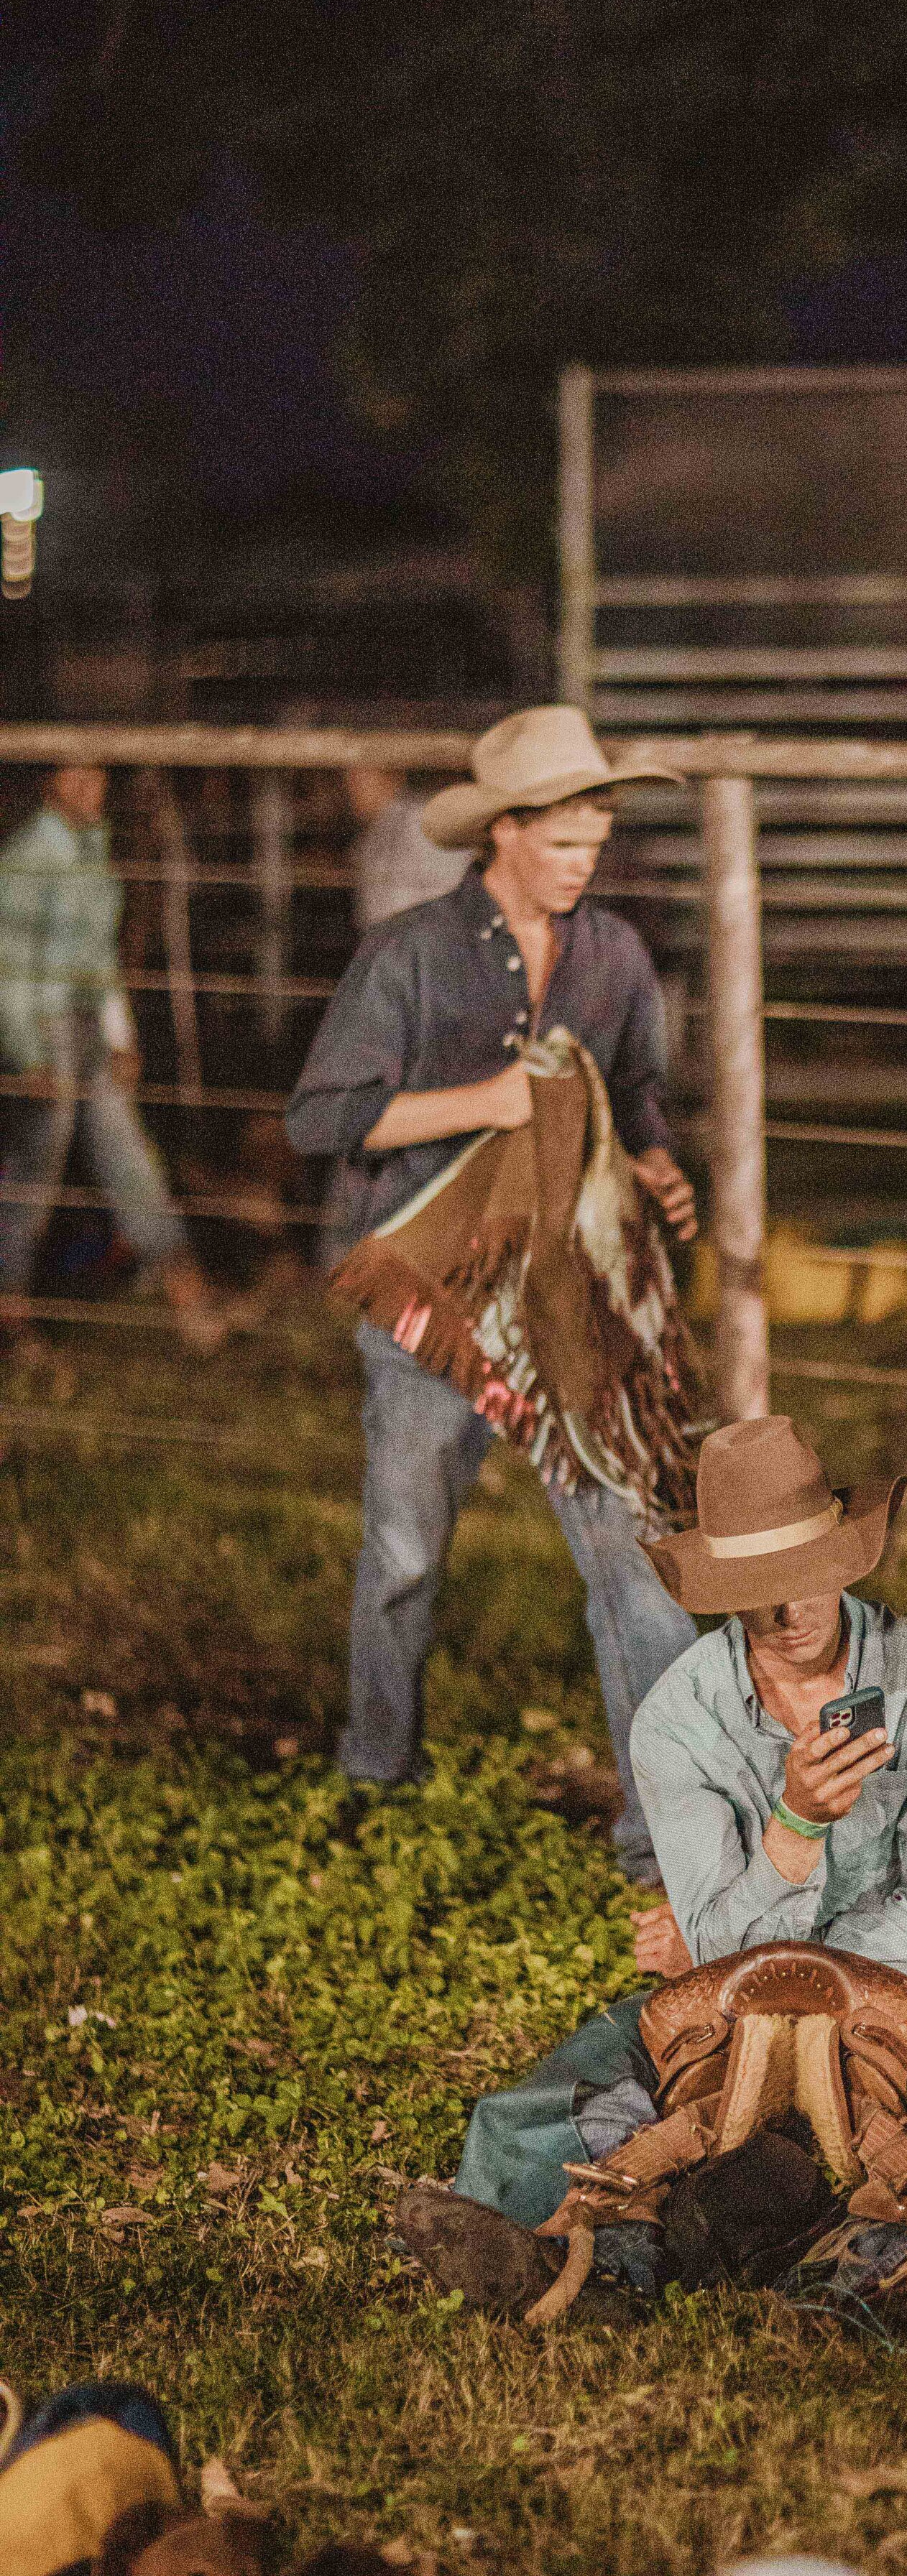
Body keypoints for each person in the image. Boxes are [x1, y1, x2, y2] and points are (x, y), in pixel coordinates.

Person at [396, 1414, 907, 2334]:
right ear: (724, 1590)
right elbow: (718, 1950)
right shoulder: (678, 1718)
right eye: (759, 1589)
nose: (790, 1611)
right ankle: (594, 2260)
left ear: (845, 1559)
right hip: (724, 1991)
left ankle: (895, 2268)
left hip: (896, 1985)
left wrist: (778, 1952)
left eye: (808, 1575)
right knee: (539, 2100)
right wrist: (797, 1825)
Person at [285, 707, 700, 1866]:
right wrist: (485, 1101)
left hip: (568, 1295)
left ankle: (662, 1833)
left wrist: (656, 1163)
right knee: (406, 1544)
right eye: (565, 837)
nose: (585, 858)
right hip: (432, 1299)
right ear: (504, 833)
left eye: (596, 835)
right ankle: (377, 1764)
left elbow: (640, 1089)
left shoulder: (614, 955)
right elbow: (321, 1116)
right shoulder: (410, 954)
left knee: (630, 1542)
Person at [0, 765, 227, 1353]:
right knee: (34, 1172)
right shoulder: (30, 857)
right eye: (76, 778)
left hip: (84, 1029)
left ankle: (188, 1293)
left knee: (129, 1157)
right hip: (47, 1032)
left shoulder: (91, 852)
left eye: (96, 778)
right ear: (52, 784)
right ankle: (12, 1311)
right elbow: (12, 964)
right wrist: (29, 1053)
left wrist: (118, 1031)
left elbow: (100, 956)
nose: (90, 791)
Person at [342, 764, 466, 931]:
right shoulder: (375, 832)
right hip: (392, 941)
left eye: (358, 778)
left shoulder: (423, 818)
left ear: (395, 777)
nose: (349, 788)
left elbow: (453, 889)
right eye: (348, 778)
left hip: (425, 940)